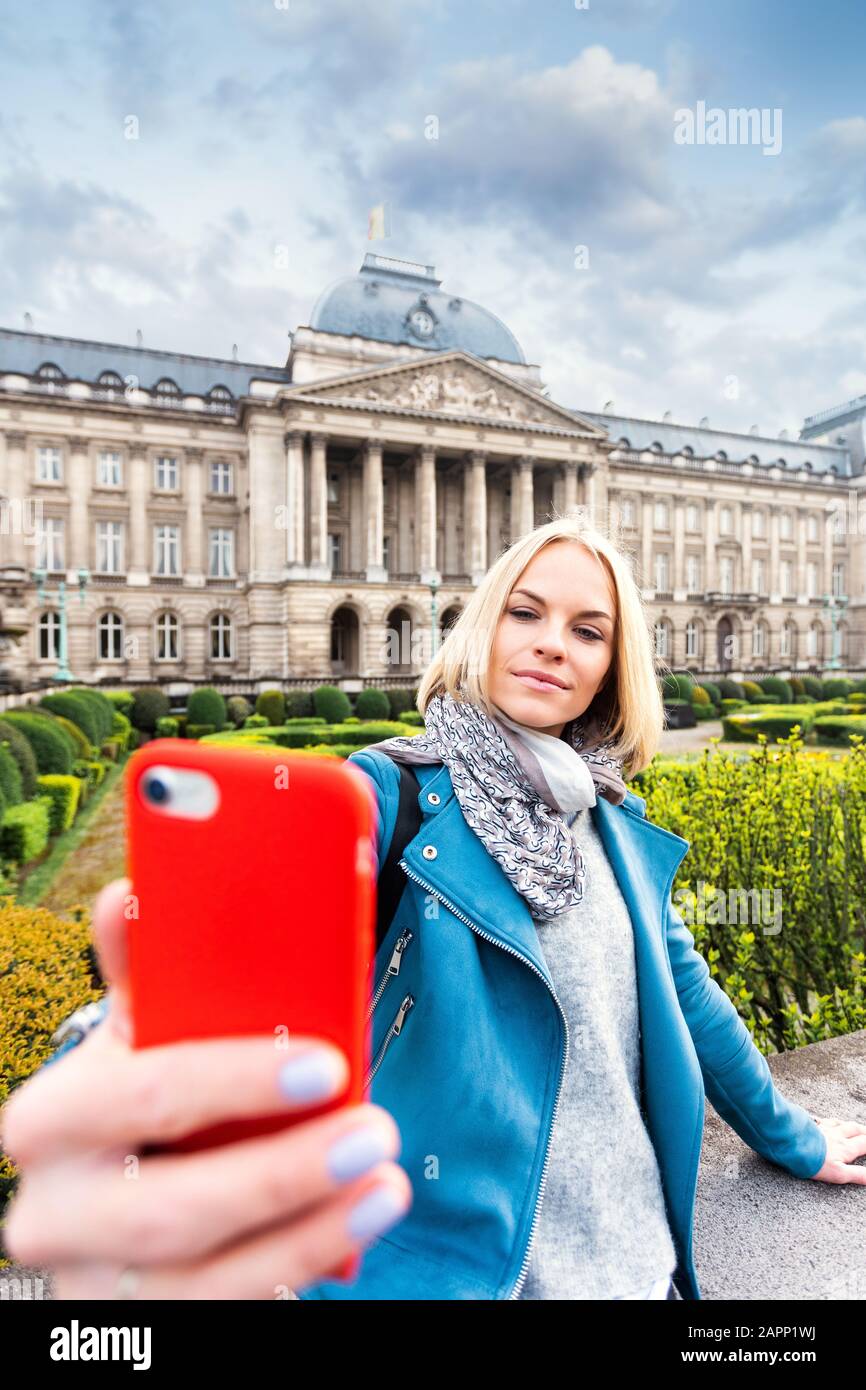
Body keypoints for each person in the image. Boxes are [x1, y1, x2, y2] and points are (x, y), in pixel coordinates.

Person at [2, 516, 864, 1301]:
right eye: (525, 614)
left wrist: (795, 1139)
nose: (552, 645)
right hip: (455, 1281)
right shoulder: (391, 795)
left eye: (586, 629)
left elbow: (692, 999)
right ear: (484, 625)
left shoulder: (611, 820)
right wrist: (107, 1068)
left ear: (610, 666)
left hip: (638, 1268)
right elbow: (240, 954)